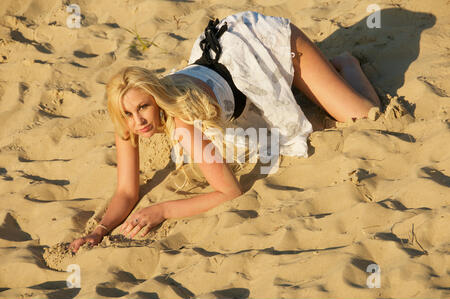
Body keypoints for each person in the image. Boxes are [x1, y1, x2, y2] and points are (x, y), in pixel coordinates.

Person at [69, 11, 380, 253]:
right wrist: (99, 230)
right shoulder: (128, 119)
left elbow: (230, 192)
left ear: (156, 98)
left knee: (363, 114)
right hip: (226, 57)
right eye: (128, 114)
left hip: (262, 42)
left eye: (143, 108)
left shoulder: (183, 122)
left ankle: (345, 63)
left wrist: (162, 210)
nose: (138, 121)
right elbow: (126, 191)